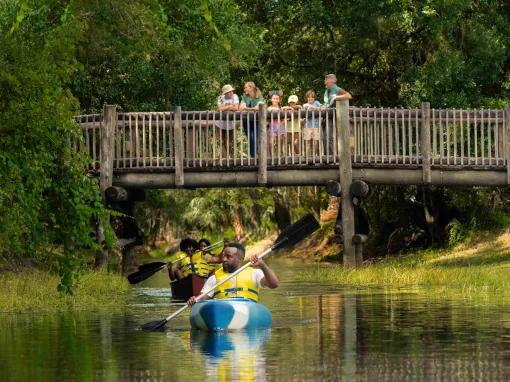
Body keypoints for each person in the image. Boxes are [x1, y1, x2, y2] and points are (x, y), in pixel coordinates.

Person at [187, 242, 279, 305]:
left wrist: (262, 265)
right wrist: (195, 300)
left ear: (240, 259)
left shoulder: (255, 273)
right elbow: (203, 298)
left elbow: (274, 284)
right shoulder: (214, 278)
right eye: (223, 256)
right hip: (223, 312)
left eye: (228, 256)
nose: (224, 259)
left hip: (248, 311)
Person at [322, 74, 352, 157]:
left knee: (329, 136)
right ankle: (327, 155)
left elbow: (349, 96)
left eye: (326, 80)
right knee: (325, 137)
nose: (325, 82)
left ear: (332, 81)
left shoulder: (336, 89)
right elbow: (326, 104)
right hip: (326, 116)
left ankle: (330, 156)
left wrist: (336, 97)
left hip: (333, 116)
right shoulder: (327, 91)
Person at [239, 82, 264, 158]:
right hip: (246, 121)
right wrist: (252, 109)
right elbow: (241, 108)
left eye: (246, 87)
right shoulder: (244, 96)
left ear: (251, 88)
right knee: (250, 138)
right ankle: (253, 156)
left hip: (256, 121)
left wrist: (246, 108)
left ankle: (255, 156)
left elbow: (258, 108)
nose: (244, 89)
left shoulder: (259, 97)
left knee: (255, 137)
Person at [216, 84, 239, 159]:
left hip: (230, 123)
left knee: (229, 141)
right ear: (225, 93)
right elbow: (219, 109)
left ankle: (227, 157)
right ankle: (225, 158)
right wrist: (229, 106)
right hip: (220, 123)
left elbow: (236, 108)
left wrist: (224, 107)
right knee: (221, 141)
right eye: (229, 91)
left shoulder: (235, 96)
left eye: (231, 91)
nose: (231, 93)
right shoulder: (220, 98)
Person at [302, 90, 322, 160]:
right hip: (307, 126)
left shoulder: (317, 103)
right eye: (309, 97)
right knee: (307, 142)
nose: (310, 98)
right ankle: (307, 157)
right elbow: (305, 109)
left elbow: (322, 108)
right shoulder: (305, 105)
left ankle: (315, 156)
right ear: (306, 98)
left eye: (312, 97)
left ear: (314, 98)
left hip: (316, 126)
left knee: (315, 142)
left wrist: (314, 108)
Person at [267, 90, 285, 159]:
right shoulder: (269, 108)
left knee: (279, 143)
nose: (275, 100)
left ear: (279, 100)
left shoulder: (281, 108)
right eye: (274, 98)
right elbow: (267, 119)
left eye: (277, 98)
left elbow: (283, 118)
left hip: (280, 127)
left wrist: (283, 123)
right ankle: (272, 157)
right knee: (271, 143)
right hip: (272, 127)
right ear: (271, 99)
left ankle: (279, 156)